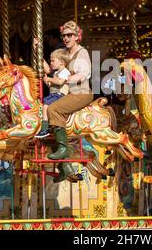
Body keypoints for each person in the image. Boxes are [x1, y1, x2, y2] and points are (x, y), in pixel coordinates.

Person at [34, 21, 93, 183]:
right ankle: (64, 167)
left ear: (77, 36)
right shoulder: (63, 52)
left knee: (54, 109)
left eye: (70, 35)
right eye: (64, 35)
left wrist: (65, 79)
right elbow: (51, 68)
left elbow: (84, 74)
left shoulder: (82, 53)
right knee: (45, 118)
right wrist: (38, 50)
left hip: (81, 92)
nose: (66, 38)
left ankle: (63, 149)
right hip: (66, 93)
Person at [34, 49, 71, 138]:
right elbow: (51, 85)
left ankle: (45, 129)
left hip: (60, 95)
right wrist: (44, 78)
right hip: (54, 94)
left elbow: (60, 82)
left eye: (53, 61)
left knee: (46, 106)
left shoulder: (65, 72)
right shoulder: (56, 73)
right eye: (51, 61)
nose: (51, 63)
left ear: (61, 62)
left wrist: (49, 79)